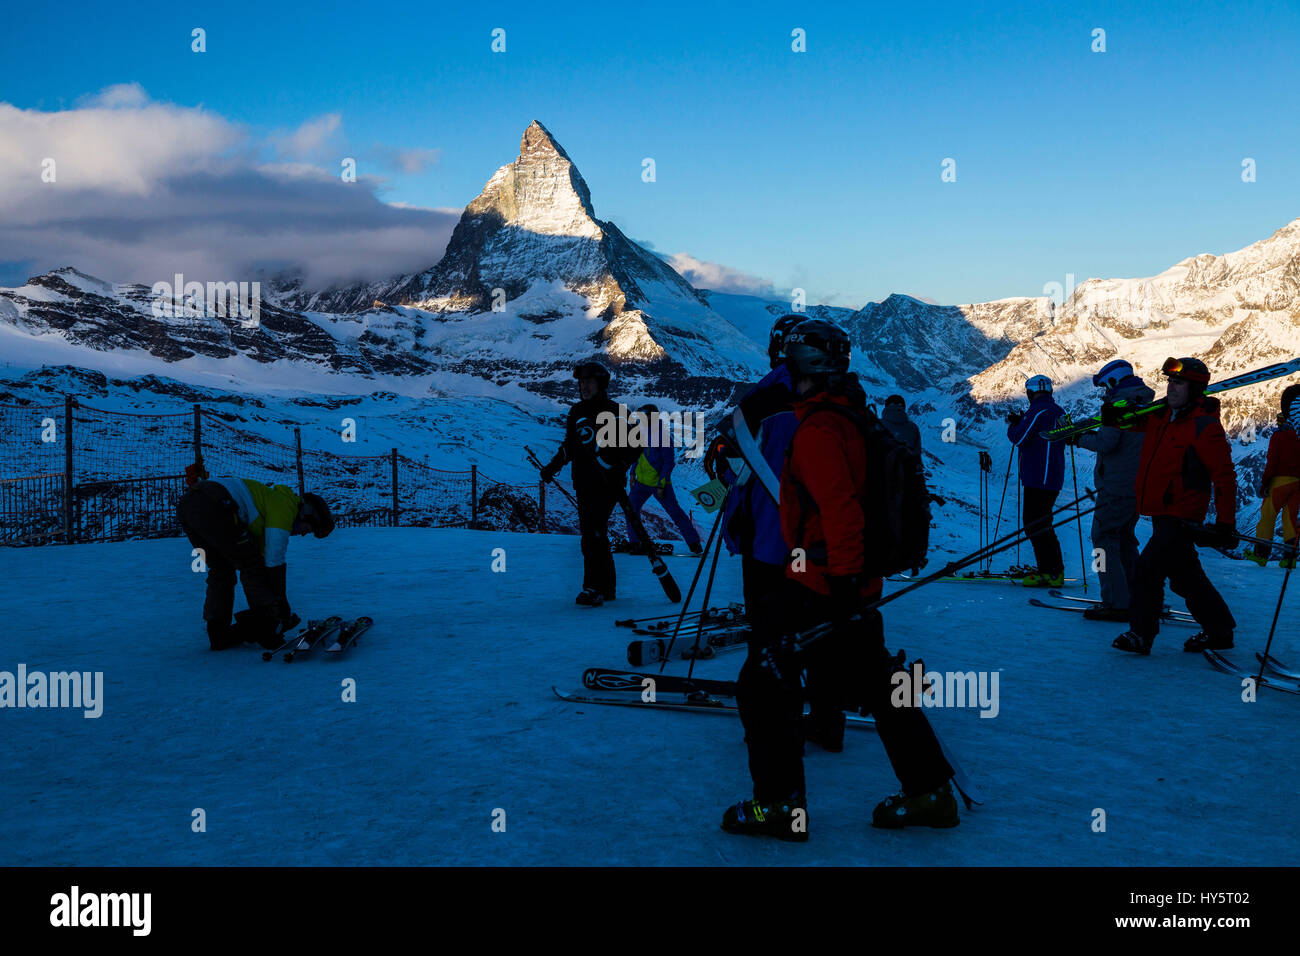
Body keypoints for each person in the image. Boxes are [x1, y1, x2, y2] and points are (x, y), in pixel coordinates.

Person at [721, 319, 958, 841]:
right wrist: (856, 588)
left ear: (797, 363)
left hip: (820, 581)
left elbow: (840, 511)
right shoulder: (850, 414)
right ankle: (931, 791)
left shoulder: (820, 429)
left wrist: (845, 586)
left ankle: (780, 806)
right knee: (880, 682)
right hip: (847, 581)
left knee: (762, 682)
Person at [707, 313, 841, 751]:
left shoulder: (764, 398)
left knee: (769, 634)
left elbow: (732, 464)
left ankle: (776, 725)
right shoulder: (833, 395)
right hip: (821, 543)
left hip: (769, 538)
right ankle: (826, 720)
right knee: (820, 632)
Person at [1112, 357, 1238, 655]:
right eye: (1169, 381)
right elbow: (1127, 422)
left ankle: (1141, 634)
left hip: (1182, 516)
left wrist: (1226, 523)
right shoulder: (1160, 416)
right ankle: (1219, 631)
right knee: (1185, 576)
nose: (1171, 387)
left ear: (1194, 389)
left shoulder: (1205, 427)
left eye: (1178, 383)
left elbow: (1224, 477)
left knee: (1146, 571)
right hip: (1159, 511)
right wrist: (1115, 412)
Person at [177, 476, 335, 650]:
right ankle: (267, 628)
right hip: (216, 504)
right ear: (306, 515)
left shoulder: (271, 504)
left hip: (189, 504)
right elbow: (274, 563)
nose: (304, 534)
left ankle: (218, 632)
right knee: (251, 566)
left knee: (221, 569)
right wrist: (281, 605)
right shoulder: (285, 508)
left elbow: (264, 558)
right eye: (309, 529)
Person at [540, 361, 636, 607]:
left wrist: (621, 467)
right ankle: (608, 587)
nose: (583, 387)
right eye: (581, 383)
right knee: (594, 534)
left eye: (588, 382)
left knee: (593, 533)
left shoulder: (616, 412)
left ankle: (592, 587)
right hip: (583, 483)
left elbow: (635, 445)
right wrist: (553, 467)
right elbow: (570, 446)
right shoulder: (576, 412)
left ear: (601, 384)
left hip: (608, 484)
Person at [1066, 359, 1154, 620]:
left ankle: (1115, 602)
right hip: (1135, 486)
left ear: (1114, 381)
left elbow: (1107, 443)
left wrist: (1077, 438)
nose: (1104, 391)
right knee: (1125, 541)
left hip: (1115, 486)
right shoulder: (1144, 403)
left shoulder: (1118, 405)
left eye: (1105, 386)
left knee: (1103, 541)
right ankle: (1135, 597)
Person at [1005, 375, 1067, 587]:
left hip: (1037, 477)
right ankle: (1052, 570)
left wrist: (1013, 426)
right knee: (1043, 523)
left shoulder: (1036, 411)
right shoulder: (1059, 411)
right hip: (1053, 477)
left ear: (1030, 392)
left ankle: (1050, 572)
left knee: (1035, 525)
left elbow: (1019, 438)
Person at [624, 404, 703, 556]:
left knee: (674, 512)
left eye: (643, 415)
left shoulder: (663, 435)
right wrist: (632, 474)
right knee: (631, 510)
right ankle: (636, 543)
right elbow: (637, 456)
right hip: (641, 482)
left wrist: (661, 484)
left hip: (658, 484)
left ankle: (694, 544)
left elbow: (668, 463)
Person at [1246, 384, 1300, 568]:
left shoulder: (1279, 436)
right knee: (1290, 520)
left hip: (1279, 482)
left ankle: (1261, 555)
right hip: (1298, 484)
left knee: (1267, 517)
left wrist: (1265, 484)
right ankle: (1289, 558)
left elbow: (1271, 463)